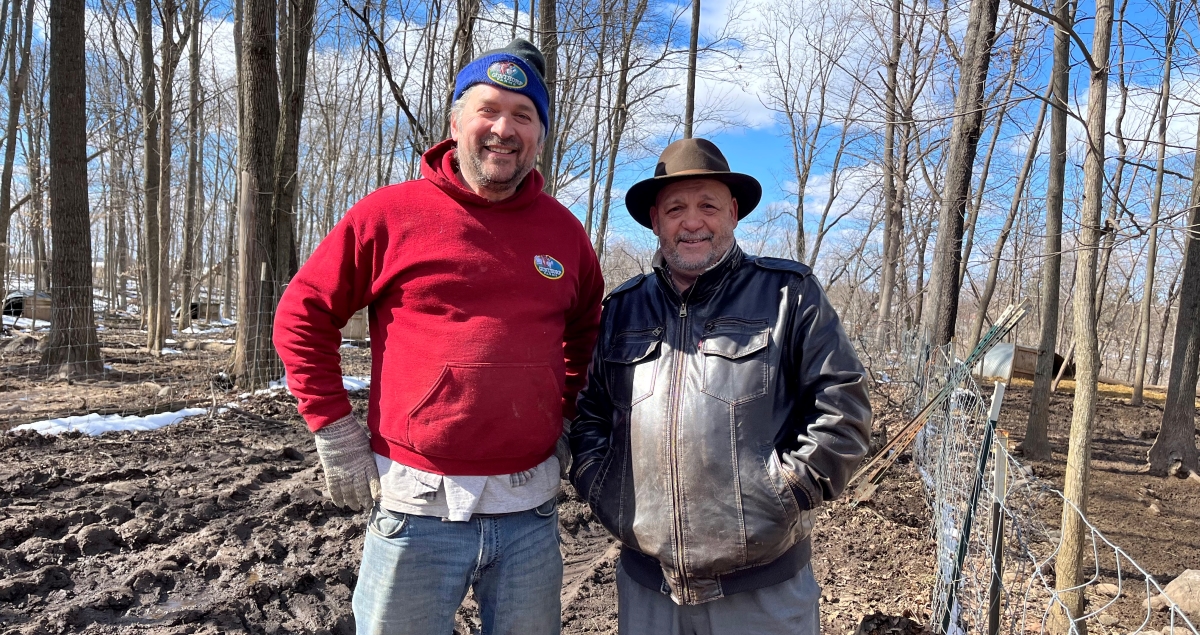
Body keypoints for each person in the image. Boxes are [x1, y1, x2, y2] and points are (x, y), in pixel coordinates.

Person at [274, 38, 604, 635]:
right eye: (488, 110)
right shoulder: (390, 214)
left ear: (541, 135)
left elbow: (586, 333)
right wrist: (334, 427)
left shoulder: (565, 233)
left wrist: (565, 413)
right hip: (416, 506)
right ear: (456, 123)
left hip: (529, 508)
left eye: (523, 116)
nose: (504, 128)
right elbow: (302, 314)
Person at [568, 137, 872, 634]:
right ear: (654, 220)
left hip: (762, 591)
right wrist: (601, 487)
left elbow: (843, 410)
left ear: (732, 212)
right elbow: (591, 415)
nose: (692, 222)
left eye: (708, 205)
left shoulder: (787, 296)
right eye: (675, 209)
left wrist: (784, 493)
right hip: (647, 592)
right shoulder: (622, 310)